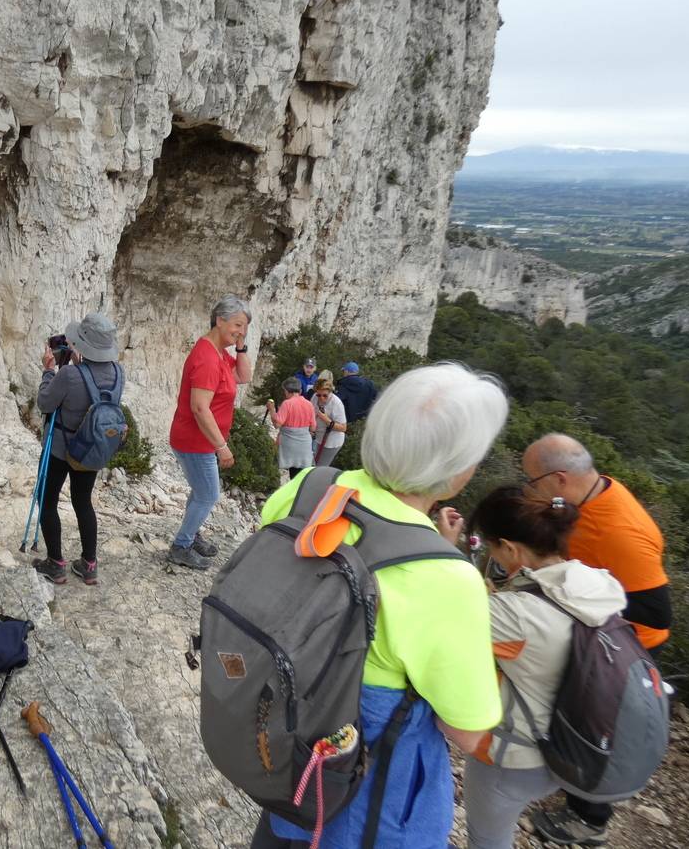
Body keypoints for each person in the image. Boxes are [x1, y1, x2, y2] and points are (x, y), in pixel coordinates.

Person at [251, 362, 508, 849]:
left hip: (289, 764)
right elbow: (468, 732)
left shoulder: (306, 489)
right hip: (363, 808)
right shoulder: (446, 580)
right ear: (456, 471)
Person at [521, 433, 670, 845]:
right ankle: (565, 778)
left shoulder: (620, 531)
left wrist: (574, 589)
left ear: (561, 478)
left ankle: (588, 819)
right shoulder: (583, 497)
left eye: (533, 481)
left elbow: (657, 612)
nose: (530, 490)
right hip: (595, 629)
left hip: (624, 646)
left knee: (594, 723)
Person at [463, 486, 626, 849]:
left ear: (510, 548)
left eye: (493, 547)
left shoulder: (513, 614)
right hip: (575, 747)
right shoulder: (597, 584)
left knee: (487, 839)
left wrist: (446, 550)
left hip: (514, 756)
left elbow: (448, 629)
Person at [33, 312, 123, 586]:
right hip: (91, 450)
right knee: (82, 501)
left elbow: (45, 403)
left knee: (47, 500)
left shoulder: (70, 374)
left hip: (60, 448)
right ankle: (88, 564)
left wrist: (49, 371)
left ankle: (56, 564)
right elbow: (93, 389)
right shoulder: (119, 372)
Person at [167, 296, 253, 570]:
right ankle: (181, 546)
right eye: (238, 324)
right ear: (220, 320)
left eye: (245, 327)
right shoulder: (206, 357)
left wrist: (241, 347)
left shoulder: (219, 353)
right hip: (196, 440)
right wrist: (221, 446)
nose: (241, 331)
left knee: (201, 490)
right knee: (208, 494)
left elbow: (244, 376)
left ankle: (191, 535)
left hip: (200, 440)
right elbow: (200, 408)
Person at [267, 377, 315, 480]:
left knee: (293, 474)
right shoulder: (309, 404)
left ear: (287, 391)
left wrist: (271, 410)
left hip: (290, 444)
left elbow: (277, 424)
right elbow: (313, 427)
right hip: (305, 443)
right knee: (301, 476)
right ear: (300, 390)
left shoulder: (287, 404)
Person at [309, 375, 346, 467]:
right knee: (312, 464)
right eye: (319, 395)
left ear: (330, 392)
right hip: (318, 437)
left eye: (325, 395)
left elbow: (343, 428)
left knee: (320, 467)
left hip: (332, 441)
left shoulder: (336, 403)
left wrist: (326, 420)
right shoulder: (314, 397)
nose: (321, 398)